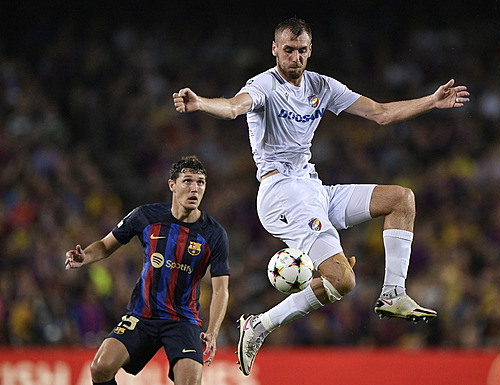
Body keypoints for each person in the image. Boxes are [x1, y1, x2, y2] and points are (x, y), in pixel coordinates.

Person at [173, 17, 469, 376]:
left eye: (301, 50)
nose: (294, 57)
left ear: (310, 51)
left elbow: (380, 113)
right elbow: (235, 107)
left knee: (401, 199)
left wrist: (431, 102)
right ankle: (261, 325)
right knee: (343, 280)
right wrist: (201, 103)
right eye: (287, 50)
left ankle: (392, 293)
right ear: (275, 50)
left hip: (313, 188)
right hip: (281, 194)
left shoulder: (321, 86)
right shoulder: (264, 85)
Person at [65, 156, 230, 385]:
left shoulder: (214, 234)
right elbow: (105, 246)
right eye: (188, 181)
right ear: (172, 185)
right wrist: (85, 258)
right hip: (143, 315)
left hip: (184, 320)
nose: (195, 188)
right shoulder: (145, 216)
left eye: (201, 182)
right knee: (100, 367)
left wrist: (212, 331)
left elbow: (221, 290)